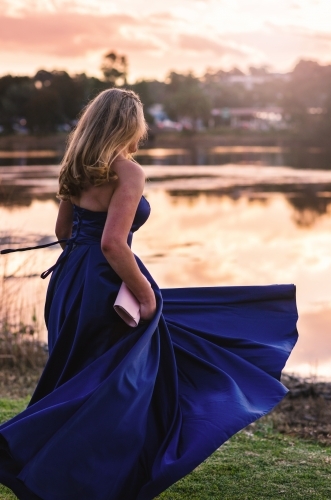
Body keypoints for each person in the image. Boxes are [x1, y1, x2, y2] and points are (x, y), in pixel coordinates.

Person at [0, 88, 298, 500]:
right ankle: (74, 472)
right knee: (114, 384)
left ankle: (54, 472)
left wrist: (85, 264)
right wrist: (147, 296)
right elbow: (113, 244)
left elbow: (64, 233)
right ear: (128, 125)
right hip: (105, 283)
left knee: (76, 376)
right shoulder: (128, 172)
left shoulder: (76, 168)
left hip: (70, 281)